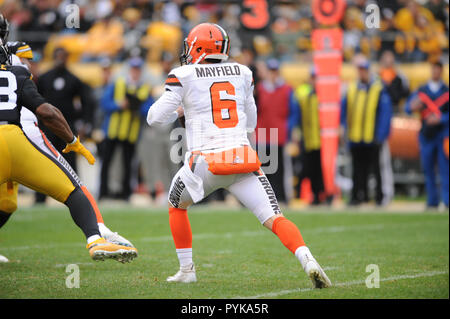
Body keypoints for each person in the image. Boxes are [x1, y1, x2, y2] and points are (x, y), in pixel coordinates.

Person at [146, 23, 331, 288]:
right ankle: (309, 260)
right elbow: (251, 121)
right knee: (275, 218)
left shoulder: (183, 74)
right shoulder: (243, 72)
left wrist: (181, 110)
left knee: (176, 205)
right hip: (242, 159)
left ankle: (187, 269)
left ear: (197, 47)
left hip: (204, 164)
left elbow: (154, 118)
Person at [0, 42, 137, 263]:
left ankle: (100, 230)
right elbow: (47, 111)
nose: (29, 65)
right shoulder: (17, 71)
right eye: (25, 60)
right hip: (20, 136)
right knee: (73, 188)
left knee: (8, 203)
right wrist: (73, 139)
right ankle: (97, 235)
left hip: (22, 133)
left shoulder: (40, 73)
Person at [36, 47, 95, 203]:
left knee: (70, 161)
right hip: (46, 126)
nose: (60, 60)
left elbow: (87, 102)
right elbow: (35, 100)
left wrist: (85, 122)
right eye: (58, 56)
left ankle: (76, 195)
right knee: (44, 159)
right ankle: (40, 197)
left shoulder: (74, 80)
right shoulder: (44, 78)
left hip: (66, 126)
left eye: (63, 57)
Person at [99, 56, 153, 200]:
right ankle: (103, 192)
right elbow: (104, 103)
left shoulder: (145, 87)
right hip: (113, 130)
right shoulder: (118, 83)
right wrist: (118, 105)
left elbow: (150, 109)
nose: (135, 72)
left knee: (128, 164)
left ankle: (125, 193)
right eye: (133, 69)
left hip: (131, 133)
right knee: (107, 162)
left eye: (138, 69)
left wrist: (137, 107)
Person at [341, 58, 393, 206]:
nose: (362, 73)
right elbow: (344, 111)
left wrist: (381, 135)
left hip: (372, 136)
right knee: (357, 169)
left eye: (364, 70)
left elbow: (385, 113)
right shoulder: (351, 89)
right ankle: (357, 196)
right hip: (356, 136)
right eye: (360, 70)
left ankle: (379, 197)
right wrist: (343, 128)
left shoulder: (378, 89)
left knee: (376, 169)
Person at [405, 61, 449, 209]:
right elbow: (408, 107)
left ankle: (447, 200)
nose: (435, 72)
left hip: (442, 134)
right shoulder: (422, 90)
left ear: (441, 71)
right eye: (433, 70)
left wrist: (441, 118)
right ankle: (432, 201)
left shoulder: (446, 91)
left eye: (438, 70)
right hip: (426, 135)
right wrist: (412, 106)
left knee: (445, 169)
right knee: (428, 169)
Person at [255, 58, 299, 204]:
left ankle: (281, 196)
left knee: (280, 168)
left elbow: (293, 112)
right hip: (262, 133)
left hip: (278, 133)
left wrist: (289, 128)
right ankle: (265, 197)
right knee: (264, 169)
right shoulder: (260, 89)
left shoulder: (286, 89)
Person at [292, 67, 325, 205]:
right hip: (307, 137)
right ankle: (306, 193)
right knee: (307, 168)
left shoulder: (322, 94)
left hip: (320, 138)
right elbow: (297, 114)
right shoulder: (304, 93)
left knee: (319, 169)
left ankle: (320, 195)